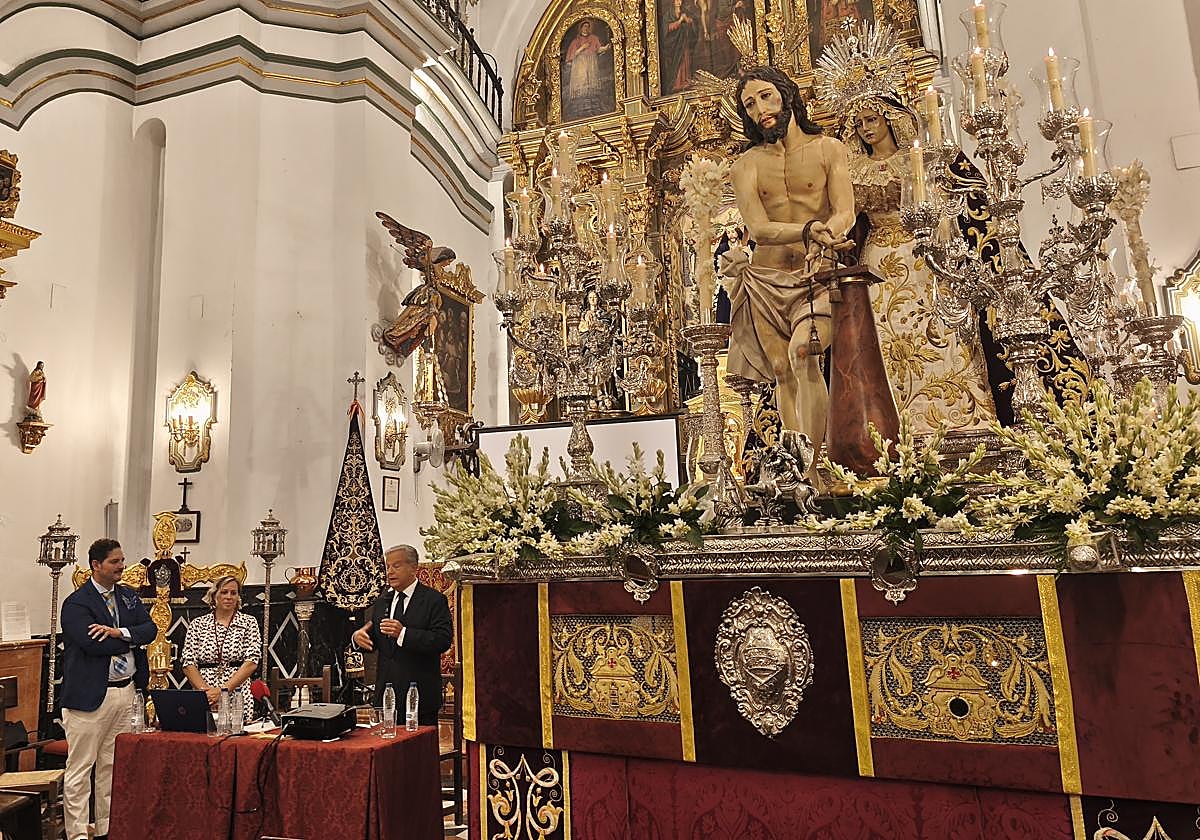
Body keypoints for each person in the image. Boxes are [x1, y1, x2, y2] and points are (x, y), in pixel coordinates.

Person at [813, 24, 997, 433]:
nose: (865, 127)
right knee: (879, 342)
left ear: (890, 117)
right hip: (874, 262)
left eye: (871, 118)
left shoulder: (922, 158)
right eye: (858, 122)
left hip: (923, 258)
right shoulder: (851, 170)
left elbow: (965, 196)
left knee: (938, 331)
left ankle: (960, 426)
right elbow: (843, 216)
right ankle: (892, 434)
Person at [724, 65, 856, 457]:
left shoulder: (829, 149)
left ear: (786, 93)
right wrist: (807, 231)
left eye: (765, 96)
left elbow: (844, 210)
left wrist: (827, 235)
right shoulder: (745, 165)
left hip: (813, 273)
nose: (759, 109)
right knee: (781, 370)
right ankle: (798, 468)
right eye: (749, 104)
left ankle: (818, 464)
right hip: (765, 278)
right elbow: (760, 229)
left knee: (805, 353)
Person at [59, 538, 156, 840]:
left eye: (122, 560)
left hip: (125, 691)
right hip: (89, 698)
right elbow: (92, 644)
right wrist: (130, 637)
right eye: (115, 562)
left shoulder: (127, 597)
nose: (121, 567)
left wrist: (118, 632)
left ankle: (106, 830)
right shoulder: (76, 603)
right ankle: (77, 835)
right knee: (80, 769)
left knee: (112, 769)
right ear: (96, 565)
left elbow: (150, 630)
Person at [351, 545, 453, 726]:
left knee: (418, 753)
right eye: (387, 566)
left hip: (419, 696)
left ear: (414, 568)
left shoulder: (433, 600)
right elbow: (376, 639)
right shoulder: (383, 602)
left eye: (396, 566)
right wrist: (358, 638)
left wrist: (404, 633)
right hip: (386, 696)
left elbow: (442, 640)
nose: (390, 572)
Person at [181, 575, 261, 723]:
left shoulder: (249, 622)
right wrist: (206, 693)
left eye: (233, 593)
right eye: (224, 592)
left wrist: (222, 691)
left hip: (237, 692)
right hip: (204, 694)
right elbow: (188, 662)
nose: (229, 597)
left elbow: (252, 661)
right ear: (214, 595)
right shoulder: (198, 624)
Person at [564, 19, 611, 117]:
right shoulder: (576, 41)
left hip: (591, 63)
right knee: (582, 80)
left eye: (587, 26)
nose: (586, 28)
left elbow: (598, 49)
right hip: (580, 64)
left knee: (591, 81)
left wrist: (607, 47)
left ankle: (592, 103)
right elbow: (573, 55)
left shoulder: (594, 38)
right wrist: (582, 48)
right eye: (584, 26)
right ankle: (580, 104)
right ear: (580, 28)